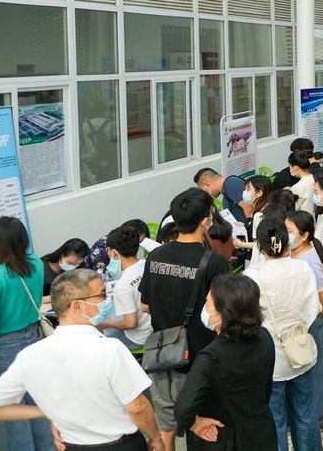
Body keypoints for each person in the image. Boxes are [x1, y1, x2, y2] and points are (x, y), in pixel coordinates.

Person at [0, 268, 160, 451]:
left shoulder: (29, 356)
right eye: (101, 295)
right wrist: (156, 438)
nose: (107, 301)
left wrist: (46, 413)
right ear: (78, 306)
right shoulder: (110, 349)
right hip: (121, 445)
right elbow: (137, 407)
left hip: (71, 446)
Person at [140, 189, 231, 451]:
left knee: (167, 426)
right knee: (203, 427)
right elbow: (223, 315)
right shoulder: (213, 262)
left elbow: (145, 305)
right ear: (205, 221)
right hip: (200, 357)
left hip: (161, 354)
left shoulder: (155, 256)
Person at [174, 273, 277, 450]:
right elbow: (266, 388)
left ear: (223, 314)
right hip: (260, 432)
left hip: (224, 438)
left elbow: (183, 409)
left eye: (208, 304)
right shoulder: (265, 338)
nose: (204, 308)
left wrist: (195, 424)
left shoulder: (210, 358)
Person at [243, 218, 321, 451]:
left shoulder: (252, 276)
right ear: (288, 244)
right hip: (300, 350)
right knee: (305, 411)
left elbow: (248, 319)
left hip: (269, 358)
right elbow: (313, 309)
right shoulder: (302, 268)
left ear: (259, 246)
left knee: (274, 418)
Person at [0, 216, 56, 450]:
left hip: (5, 346)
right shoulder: (36, 263)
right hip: (35, 338)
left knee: (12, 406)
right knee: (38, 399)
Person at [286, 211, 323, 426]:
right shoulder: (294, 253)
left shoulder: (308, 259)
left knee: (316, 373)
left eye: (290, 231)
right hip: (300, 321)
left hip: (313, 322)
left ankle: (317, 421)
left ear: (304, 235)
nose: (286, 234)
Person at [100, 226, 153, 349]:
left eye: (108, 249)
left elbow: (131, 324)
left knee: (106, 332)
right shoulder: (148, 264)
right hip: (156, 328)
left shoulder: (123, 285)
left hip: (140, 339)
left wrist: (108, 323)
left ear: (114, 253)